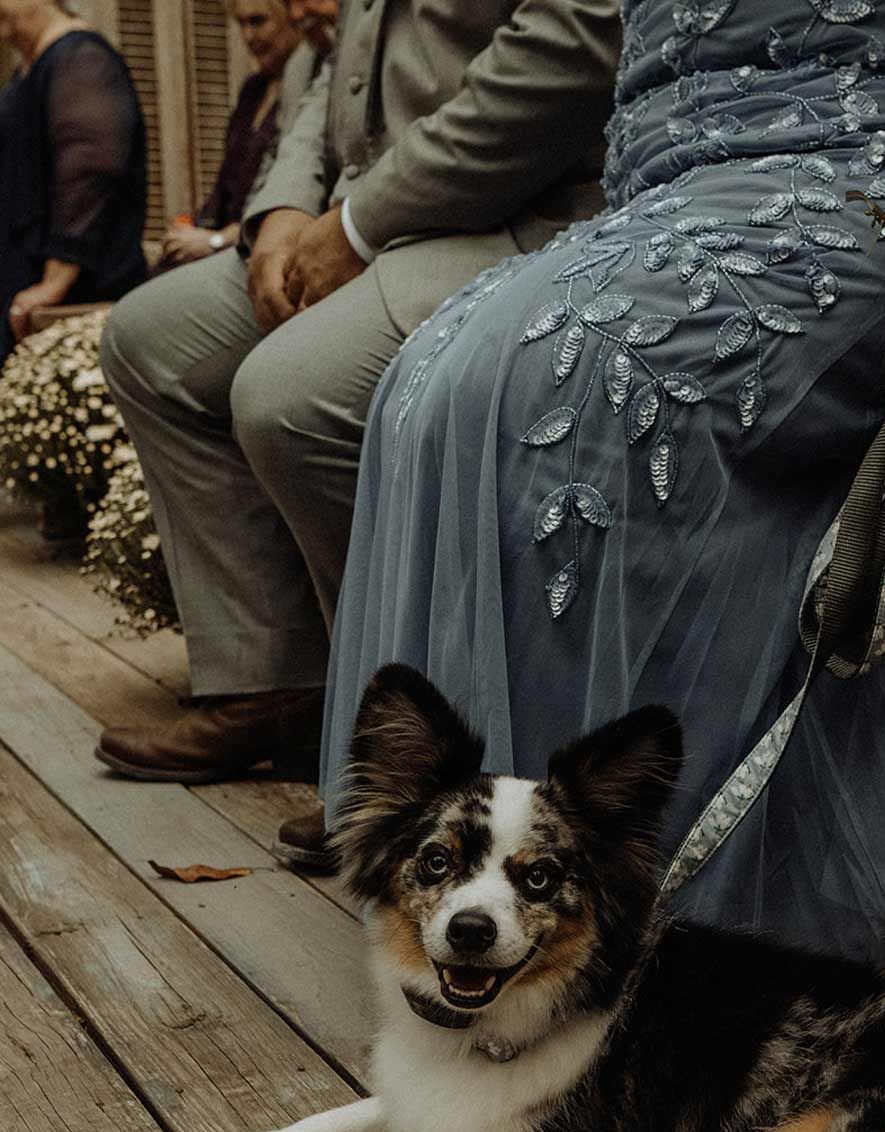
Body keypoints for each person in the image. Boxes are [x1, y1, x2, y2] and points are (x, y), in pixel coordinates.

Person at [315, 0, 885, 966]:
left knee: (587, 375)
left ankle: (686, 983)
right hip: (690, 190)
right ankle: (501, 931)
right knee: (431, 377)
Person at [94, 0, 622, 794]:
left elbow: (576, 42)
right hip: (352, 211)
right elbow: (334, 72)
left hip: (511, 209)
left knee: (290, 398)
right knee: (151, 340)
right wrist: (279, 212)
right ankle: (277, 684)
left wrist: (359, 226)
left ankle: (411, 761)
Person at [0, 0, 146, 362]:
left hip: (75, 294)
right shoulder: (31, 67)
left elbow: (90, 168)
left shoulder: (80, 56)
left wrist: (54, 283)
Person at [158, 0, 302, 271]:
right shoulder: (253, 89)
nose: (248, 36)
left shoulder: (308, 93)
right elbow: (226, 186)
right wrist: (191, 231)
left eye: (258, 22)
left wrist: (216, 240)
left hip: (262, 250)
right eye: (241, 24)